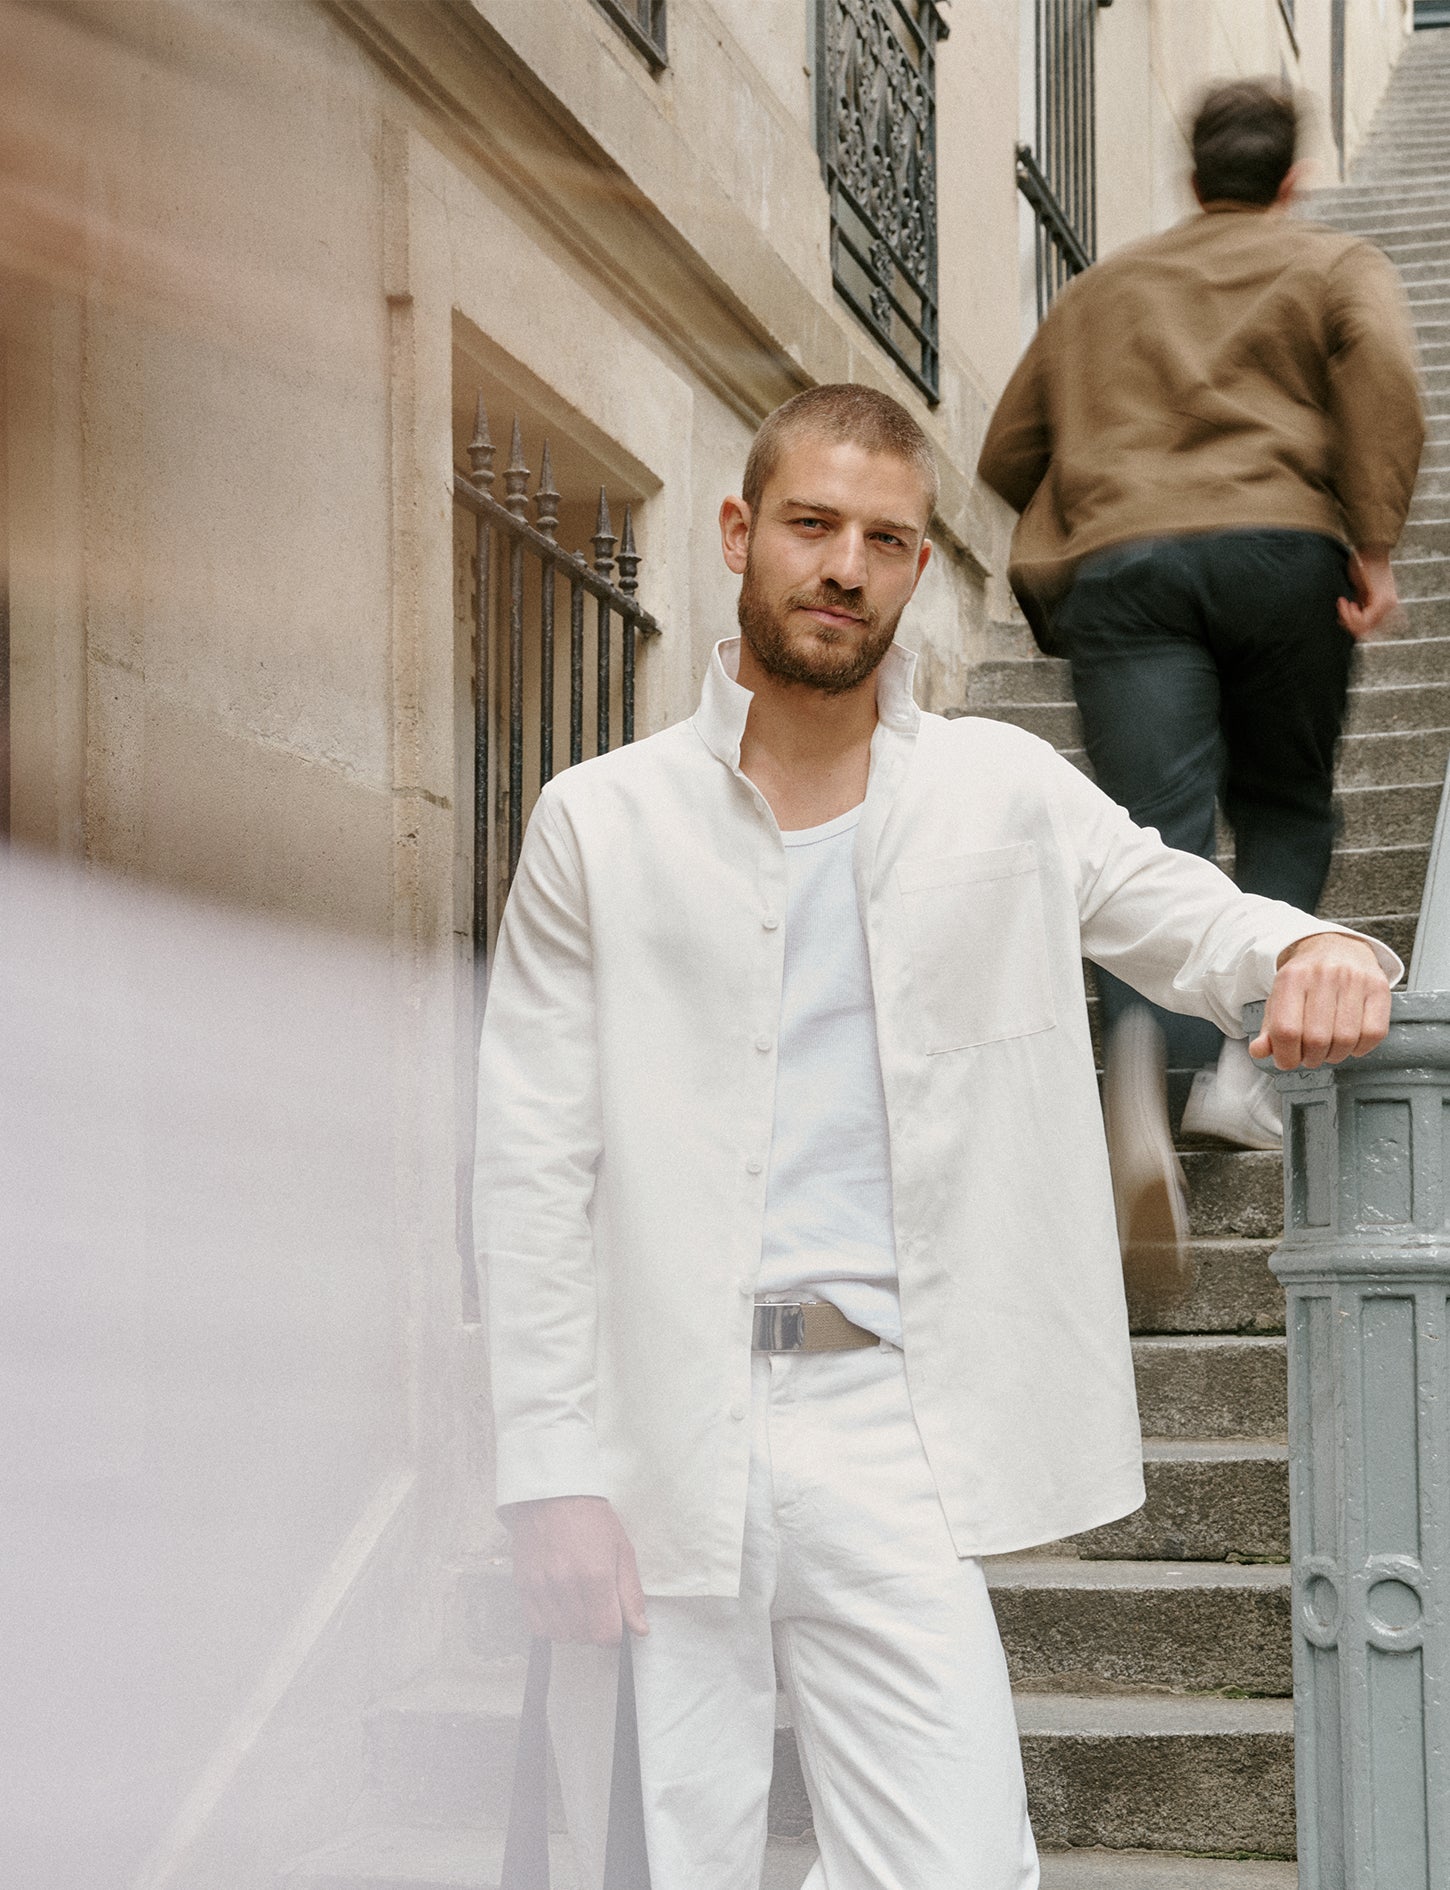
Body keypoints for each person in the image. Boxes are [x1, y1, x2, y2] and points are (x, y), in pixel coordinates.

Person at [475, 384, 1397, 1890]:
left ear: (916, 571)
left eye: (883, 539)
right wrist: (545, 1469)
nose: (842, 565)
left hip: (882, 1416)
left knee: (955, 1864)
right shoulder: (600, 821)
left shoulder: (1001, 791)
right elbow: (528, 1160)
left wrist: (1318, 945)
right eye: (811, 524)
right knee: (651, 1857)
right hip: (652, 1411)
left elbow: (1191, 915)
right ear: (738, 534)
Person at [976, 80, 1423, 1271]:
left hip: (1123, 567)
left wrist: (1105, 493)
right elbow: (1381, 372)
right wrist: (1371, 545)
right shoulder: (1331, 266)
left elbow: (1006, 447)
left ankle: (1137, 1064)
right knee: (1283, 803)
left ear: (1192, 176)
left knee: (1149, 836)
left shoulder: (1100, 290)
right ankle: (1239, 1069)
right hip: (1282, 554)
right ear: (1289, 178)